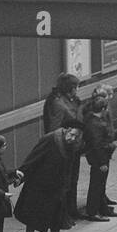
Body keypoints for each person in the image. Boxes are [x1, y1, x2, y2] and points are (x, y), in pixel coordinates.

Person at [14, 127, 82, 232]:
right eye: (72, 135)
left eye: (76, 137)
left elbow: (69, 166)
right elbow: (34, 156)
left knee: (56, 218)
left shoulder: (70, 145)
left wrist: (67, 185)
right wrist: (21, 174)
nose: (73, 139)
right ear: (66, 130)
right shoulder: (50, 139)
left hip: (56, 187)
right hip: (39, 185)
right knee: (32, 218)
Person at [42, 73, 84, 220]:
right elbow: (54, 129)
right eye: (76, 87)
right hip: (64, 149)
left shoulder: (68, 100)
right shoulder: (57, 104)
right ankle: (63, 213)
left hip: (73, 146)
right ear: (70, 88)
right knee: (65, 182)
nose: (77, 90)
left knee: (73, 180)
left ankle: (71, 210)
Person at [82, 88, 117, 221]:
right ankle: (92, 212)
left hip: (101, 156)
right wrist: (102, 162)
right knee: (97, 185)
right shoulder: (95, 124)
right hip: (99, 159)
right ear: (103, 109)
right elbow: (97, 145)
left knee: (100, 184)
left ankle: (102, 208)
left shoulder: (92, 120)